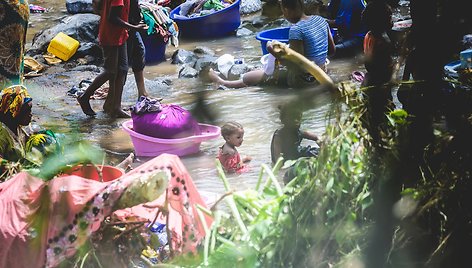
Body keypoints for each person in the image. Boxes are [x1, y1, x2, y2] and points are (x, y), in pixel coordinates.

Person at [207, 0, 335, 89]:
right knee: (261, 71)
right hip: (322, 73)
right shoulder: (321, 21)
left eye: (283, 11)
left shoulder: (297, 29)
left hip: (304, 81)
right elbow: (331, 51)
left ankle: (223, 83)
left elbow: (297, 66)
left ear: (286, 9)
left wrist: (273, 52)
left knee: (251, 77)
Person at [78, 0, 147, 118]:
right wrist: (133, 27)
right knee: (110, 71)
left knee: (123, 69)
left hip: (121, 34)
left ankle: (116, 107)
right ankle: (85, 96)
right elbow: (112, 18)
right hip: (111, 35)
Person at [360, 1, 394, 144]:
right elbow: (384, 68)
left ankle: (373, 146)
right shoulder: (384, 42)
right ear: (383, 21)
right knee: (385, 121)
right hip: (380, 86)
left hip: (368, 82)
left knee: (371, 121)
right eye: (390, 17)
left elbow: (368, 63)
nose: (393, 20)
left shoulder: (368, 36)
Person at [0, 86, 32, 166]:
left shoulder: (18, 128)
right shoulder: (2, 134)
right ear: (15, 113)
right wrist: (13, 166)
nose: (30, 115)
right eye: (27, 112)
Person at [0, 0, 29, 89]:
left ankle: (10, 96)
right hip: (16, 8)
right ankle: (13, 95)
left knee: (11, 59)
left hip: (7, 11)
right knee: (14, 58)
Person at [126, 0, 149, 98]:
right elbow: (113, 17)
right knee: (122, 67)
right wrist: (132, 27)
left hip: (133, 26)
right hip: (126, 28)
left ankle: (142, 94)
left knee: (139, 53)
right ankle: (113, 101)